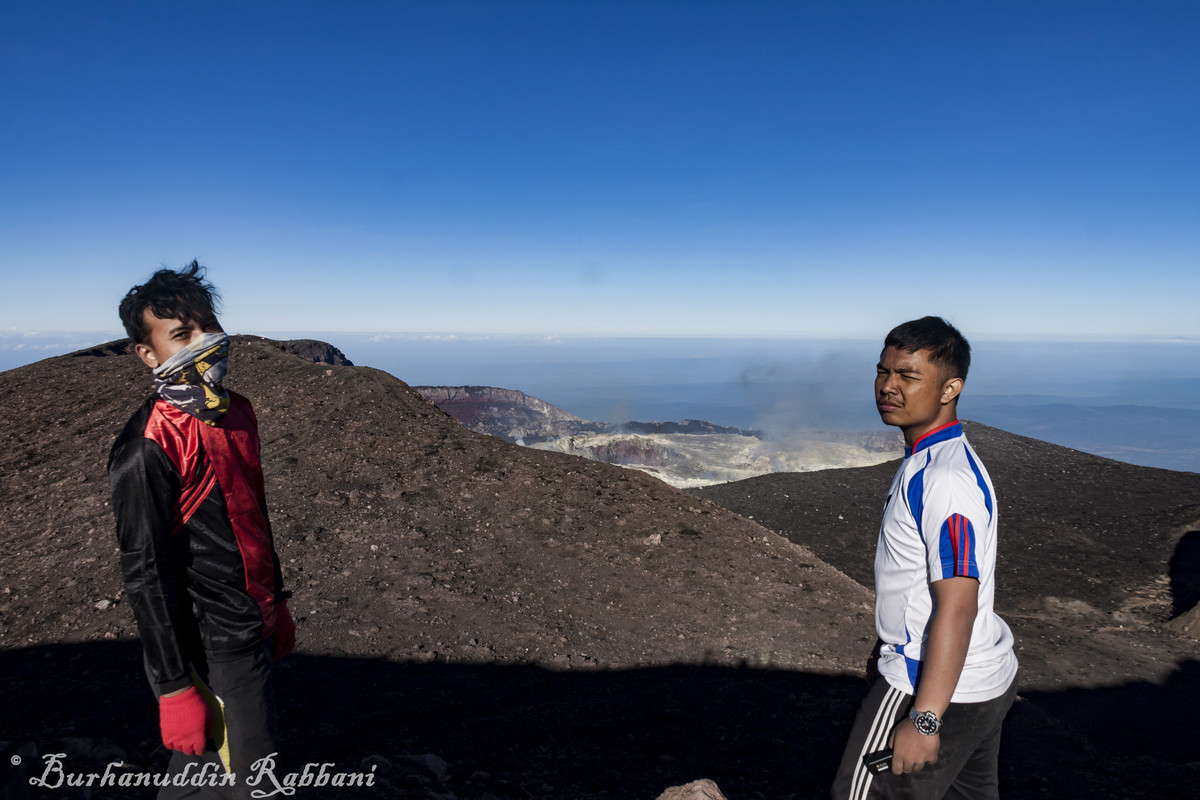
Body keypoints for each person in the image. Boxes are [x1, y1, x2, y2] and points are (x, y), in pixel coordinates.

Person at [108, 262, 295, 798]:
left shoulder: (236, 412)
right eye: (183, 335)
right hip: (212, 645)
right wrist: (172, 687)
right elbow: (145, 571)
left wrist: (274, 602)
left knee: (204, 778)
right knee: (255, 785)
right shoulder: (148, 445)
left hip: (246, 619)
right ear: (148, 354)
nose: (206, 342)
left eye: (207, 326)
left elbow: (252, 515)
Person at [831, 316, 1019, 800]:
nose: (888, 386)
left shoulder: (944, 481)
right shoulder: (931, 460)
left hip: (928, 685)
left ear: (950, 388)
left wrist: (925, 718)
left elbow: (957, 603)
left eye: (908, 376)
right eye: (883, 371)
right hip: (981, 681)